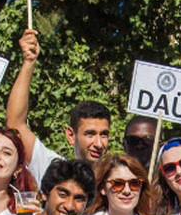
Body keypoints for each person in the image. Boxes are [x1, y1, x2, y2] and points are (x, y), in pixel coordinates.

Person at [6, 28, 111, 181]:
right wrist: (29, 63)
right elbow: (14, 124)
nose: (99, 144)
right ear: (71, 135)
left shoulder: (119, 182)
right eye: (90, 134)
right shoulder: (55, 171)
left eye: (104, 134)